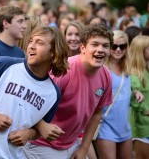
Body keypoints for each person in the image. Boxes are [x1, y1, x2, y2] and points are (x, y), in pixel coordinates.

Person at [0, 26, 69, 158]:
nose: (32, 46)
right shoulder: (4, 65)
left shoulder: (53, 94)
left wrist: (29, 134)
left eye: (39, 43)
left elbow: (38, 127)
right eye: (31, 41)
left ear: (53, 53)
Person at [24, 24, 114, 159]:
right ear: (83, 47)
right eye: (95, 44)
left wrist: (83, 148)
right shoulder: (65, 71)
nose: (100, 50)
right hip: (42, 144)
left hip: (72, 144)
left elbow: (96, 113)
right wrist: (41, 125)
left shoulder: (106, 75)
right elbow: (28, 104)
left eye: (105, 46)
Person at [95, 30, 144, 159]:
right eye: (114, 46)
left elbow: (125, 88)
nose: (118, 50)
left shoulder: (128, 68)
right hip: (105, 127)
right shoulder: (101, 69)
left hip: (124, 128)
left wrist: (135, 91)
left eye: (122, 46)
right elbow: (95, 94)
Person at [128, 35, 149, 159]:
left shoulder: (146, 70)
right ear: (141, 51)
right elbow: (134, 98)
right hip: (141, 126)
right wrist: (146, 110)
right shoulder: (134, 74)